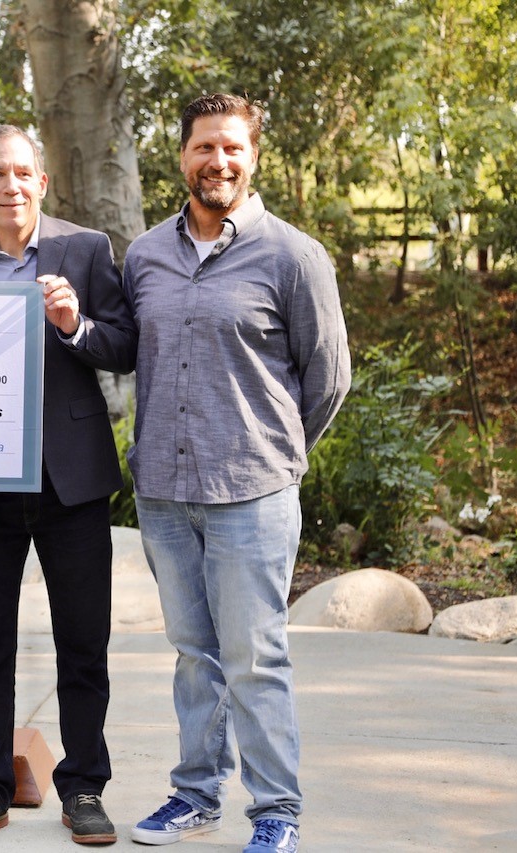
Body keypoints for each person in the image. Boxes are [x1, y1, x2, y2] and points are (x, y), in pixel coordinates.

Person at [122, 93, 351, 853]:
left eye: (231, 149)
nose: (217, 162)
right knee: (194, 656)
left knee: (255, 658)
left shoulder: (294, 256)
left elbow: (330, 379)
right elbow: (131, 353)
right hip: (162, 491)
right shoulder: (145, 254)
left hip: (253, 495)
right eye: (203, 148)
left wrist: (275, 454)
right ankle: (195, 793)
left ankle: (277, 810)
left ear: (252, 158)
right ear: (181, 155)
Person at [0, 125, 137, 846]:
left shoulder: (86, 250)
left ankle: (84, 787)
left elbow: (127, 344)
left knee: (84, 640)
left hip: (70, 478)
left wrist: (76, 325)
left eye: (23, 172)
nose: (12, 184)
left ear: (42, 184)